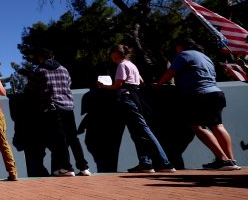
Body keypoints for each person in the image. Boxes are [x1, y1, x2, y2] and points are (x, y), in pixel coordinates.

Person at [155, 38, 240, 171]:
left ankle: (223, 159)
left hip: (198, 94)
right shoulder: (205, 57)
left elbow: (170, 72)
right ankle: (231, 160)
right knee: (217, 126)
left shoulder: (183, 55)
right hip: (216, 93)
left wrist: (158, 84)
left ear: (180, 46)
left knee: (197, 126)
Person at [98, 44, 175, 173]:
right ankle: (146, 163)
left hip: (128, 99)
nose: (110, 56)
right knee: (138, 133)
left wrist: (103, 86)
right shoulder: (132, 65)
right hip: (136, 97)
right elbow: (141, 82)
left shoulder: (121, 65)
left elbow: (117, 85)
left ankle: (165, 163)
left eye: (111, 53)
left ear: (116, 53)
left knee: (144, 131)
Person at [30, 49, 90, 177]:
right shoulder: (64, 69)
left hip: (52, 107)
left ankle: (67, 168)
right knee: (73, 138)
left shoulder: (39, 71)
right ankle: (84, 167)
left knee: (60, 139)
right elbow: (69, 83)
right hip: (68, 106)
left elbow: (32, 89)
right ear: (53, 56)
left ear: (41, 58)